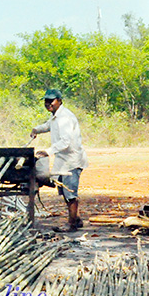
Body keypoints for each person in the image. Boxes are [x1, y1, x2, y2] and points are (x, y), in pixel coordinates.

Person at [30, 88, 88, 232]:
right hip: (63, 160)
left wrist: (48, 152)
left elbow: (65, 142)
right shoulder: (56, 116)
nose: (48, 103)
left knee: (70, 193)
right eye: (46, 101)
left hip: (72, 160)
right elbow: (48, 126)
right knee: (64, 191)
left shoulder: (65, 118)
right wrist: (36, 129)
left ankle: (72, 224)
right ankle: (77, 219)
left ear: (59, 101)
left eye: (51, 101)